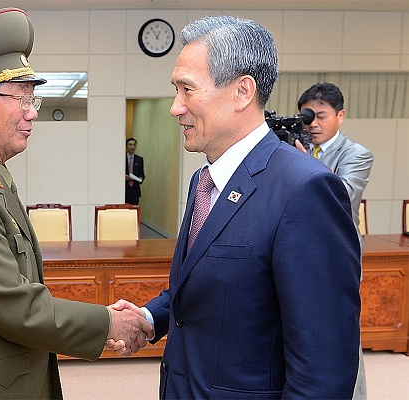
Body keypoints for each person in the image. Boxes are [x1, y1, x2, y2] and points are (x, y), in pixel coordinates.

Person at [109, 16, 362, 399]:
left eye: (187, 90)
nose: (176, 108)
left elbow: (323, 369)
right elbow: (215, 284)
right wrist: (149, 317)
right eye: (175, 90)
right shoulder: (204, 180)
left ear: (243, 92)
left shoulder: (305, 189)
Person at [0, 8, 152, 399]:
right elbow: (14, 303)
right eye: (20, 98)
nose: (33, 112)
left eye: (33, 98)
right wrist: (107, 323)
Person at [297, 82, 374, 400]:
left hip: (336, 257)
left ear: (340, 116)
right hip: (296, 250)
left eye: (322, 116)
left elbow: (340, 196)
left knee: (341, 333)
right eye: (308, 116)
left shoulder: (357, 154)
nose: (313, 123)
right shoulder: (293, 148)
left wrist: (299, 162)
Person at [125, 137, 145, 205]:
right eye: (130, 145)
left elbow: (142, 174)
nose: (132, 147)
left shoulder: (139, 159)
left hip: (135, 188)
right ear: (126, 146)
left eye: (134, 145)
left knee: (134, 209)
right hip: (125, 188)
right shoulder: (122, 158)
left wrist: (141, 178)